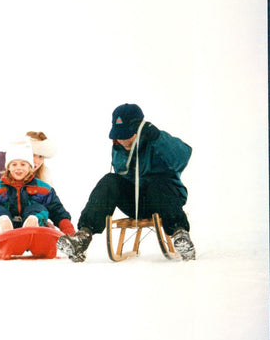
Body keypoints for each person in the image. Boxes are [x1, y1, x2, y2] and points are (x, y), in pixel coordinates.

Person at [56, 103, 195, 262]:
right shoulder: (119, 148)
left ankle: (180, 234)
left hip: (164, 199)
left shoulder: (157, 141)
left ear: (140, 130)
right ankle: (83, 236)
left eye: (127, 135)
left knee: (156, 181)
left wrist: (157, 137)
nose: (122, 140)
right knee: (109, 180)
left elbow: (182, 157)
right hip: (135, 204)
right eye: (119, 135)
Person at [0, 138, 76, 251]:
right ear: (8, 167)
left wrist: (70, 234)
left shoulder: (43, 189)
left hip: (33, 235)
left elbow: (58, 212)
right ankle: (4, 226)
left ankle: (32, 225)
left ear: (30, 167)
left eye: (23, 164)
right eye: (14, 164)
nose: (18, 168)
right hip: (1, 235)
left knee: (39, 208)